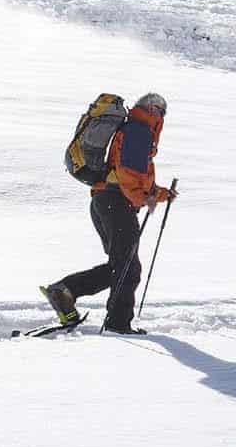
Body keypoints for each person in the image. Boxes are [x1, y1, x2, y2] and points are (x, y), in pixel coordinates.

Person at [42, 93, 175, 334]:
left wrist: (160, 194)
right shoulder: (139, 130)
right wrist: (144, 198)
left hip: (104, 202)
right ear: (153, 109)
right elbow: (128, 174)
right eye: (162, 113)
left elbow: (130, 176)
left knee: (120, 266)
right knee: (129, 269)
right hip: (117, 205)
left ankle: (65, 291)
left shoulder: (132, 129)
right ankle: (117, 324)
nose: (162, 119)